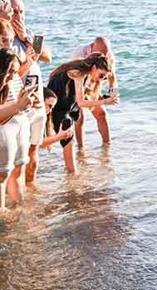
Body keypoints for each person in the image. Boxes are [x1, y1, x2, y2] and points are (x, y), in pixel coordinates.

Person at [47, 53, 118, 173]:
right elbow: (80, 102)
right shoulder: (79, 72)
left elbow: (78, 97)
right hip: (57, 106)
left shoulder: (82, 68)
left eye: (104, 78)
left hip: (64, 104)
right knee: (68, 140)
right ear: (94, 68)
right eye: (101, 75)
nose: (101, 79)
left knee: (69, 139)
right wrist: (105, 101)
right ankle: (72, 176)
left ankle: (72, 173)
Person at [10, 0, 53, 184]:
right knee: (17, 157)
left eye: (22, 11)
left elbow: (48, 57)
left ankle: (31, 189)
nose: (20, 16)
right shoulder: (5, 39)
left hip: (38, 104)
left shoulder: (27, 34)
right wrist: (29, 57)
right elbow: (13, 73)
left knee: (34, 151)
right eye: (15, 12)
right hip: (20, 104)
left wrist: (26, 38)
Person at [0, 47, 35, 210]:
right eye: (10, 72)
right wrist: (17, 107)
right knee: (2, 174)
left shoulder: (11, 80)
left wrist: (25, 103)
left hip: (17, 123)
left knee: (15, 169)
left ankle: (16, 208)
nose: (14, 75)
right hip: (6, 128)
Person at [70, 36, 118, 147]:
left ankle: (107, 147)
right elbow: (73, 76)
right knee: (79, 118)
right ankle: (81, 150)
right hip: (76, 85)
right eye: (101, 53)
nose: (103, 56)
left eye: (105, 53)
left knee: (101, 114)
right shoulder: (79, 53)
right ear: (92, 47)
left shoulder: (108, 55)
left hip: (93, 85)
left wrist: (113, 94)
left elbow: (112, 77)